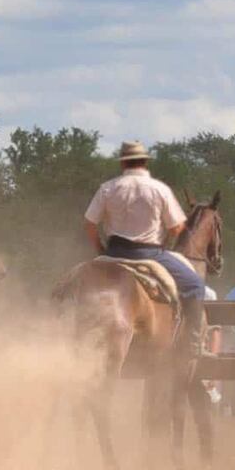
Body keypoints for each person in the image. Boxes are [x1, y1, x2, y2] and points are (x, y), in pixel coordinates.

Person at [83, 140, 205, 360]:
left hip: (113, 252)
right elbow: (177, 228)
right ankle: (193, 344)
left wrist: (101, 249)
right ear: (145, 162)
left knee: (69, 284)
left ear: (123, 163)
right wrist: (164, 241)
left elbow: (90, 224)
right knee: (195, 285)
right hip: (149, 254)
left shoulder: (108, 188)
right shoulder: (159, 189)